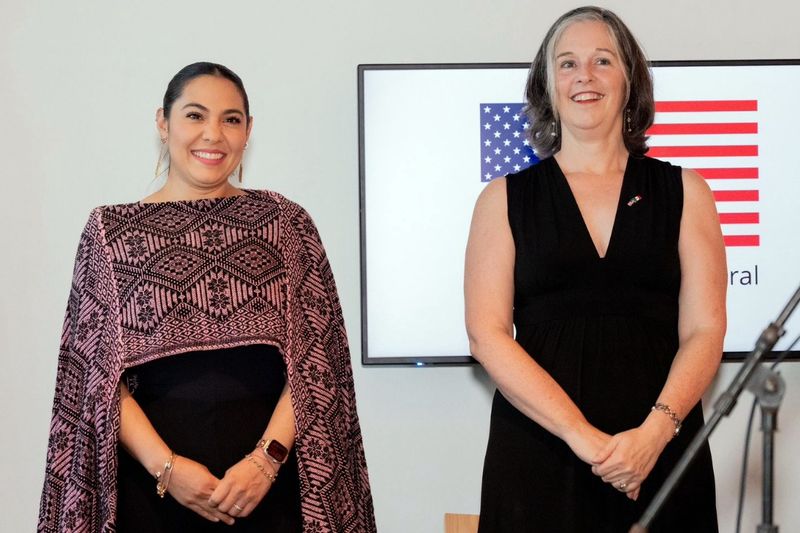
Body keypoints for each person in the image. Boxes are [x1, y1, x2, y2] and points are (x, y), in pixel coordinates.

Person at [38, 62, 376, 533]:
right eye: (195, 115)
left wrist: (266, 461)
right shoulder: (110, 233)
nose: (213, 134)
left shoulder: (286, 224)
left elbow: (319, 363)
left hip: (271, 493)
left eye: (231, 119)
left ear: (249, 130)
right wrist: (168, 469)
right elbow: (95, 380)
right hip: (153, 493)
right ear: (163, 122)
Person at [465, 7, 726, 532]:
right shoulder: (503, 199)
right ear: (547, 86)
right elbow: (486, 334)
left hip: (660, 451)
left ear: (630, 81)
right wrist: (583, 437)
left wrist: (653, 435)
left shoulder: (687, 193)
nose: (584, 75)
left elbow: (705, 329)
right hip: (541, 454)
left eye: (602, 60)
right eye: (567, 64)